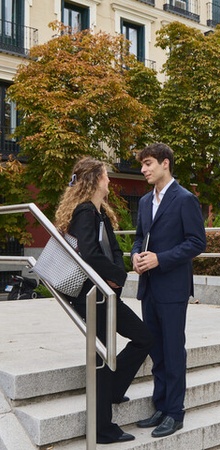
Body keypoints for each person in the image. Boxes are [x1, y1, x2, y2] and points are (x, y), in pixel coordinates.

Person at [54, 157, 154, 444]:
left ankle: (113, 387)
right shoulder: (86, 210)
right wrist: (117, 275)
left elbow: (104, 250)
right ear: (95, 180)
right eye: (106, 176)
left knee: (141, 338)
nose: (109, 179)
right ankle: (102, 429)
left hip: (102, 293)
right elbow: (89, 254)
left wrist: (114, 276)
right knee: (103, 356)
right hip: (93, 293)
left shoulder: (97, 211)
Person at [131, 143, 206, 438]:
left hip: (173, 288)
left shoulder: (185, 199)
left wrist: (160, 258)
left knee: (173, 351)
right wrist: (137, 255)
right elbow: (139, 238)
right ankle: (160, 406)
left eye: (148, 163)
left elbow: (197, 242)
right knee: (157, 351)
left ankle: (175, 413)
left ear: (165, 163)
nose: (143, 170)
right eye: (142, 165)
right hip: (149, 286)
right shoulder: (145, 201)